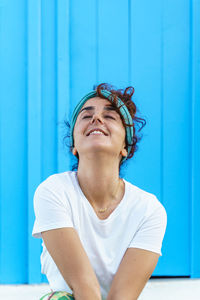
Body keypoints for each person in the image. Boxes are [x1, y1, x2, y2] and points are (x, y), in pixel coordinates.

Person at [32, 83, 167, 300]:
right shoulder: (53, 191)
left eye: (110, 116)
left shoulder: (149, 210)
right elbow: (85, 289)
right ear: (74, 145)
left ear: (126, 147)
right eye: (86, 116)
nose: (96, 119)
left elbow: (122, 297)